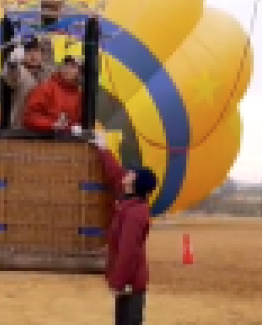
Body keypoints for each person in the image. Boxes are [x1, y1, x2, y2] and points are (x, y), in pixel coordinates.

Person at [87, 131, 158, 325]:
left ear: (135, 184)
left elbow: (129, 252)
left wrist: (119, 282)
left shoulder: (135, 214)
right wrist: (103, 148)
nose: (127, 173)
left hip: (131, 282)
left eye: (131, 173)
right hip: (128, 280)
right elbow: (114, 173)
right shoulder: (127, 200)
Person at [2, 37, 54, 128]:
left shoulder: (49, 72)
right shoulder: (20, 71)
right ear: (22, 54)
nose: (33, 55)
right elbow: (10, 76)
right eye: (28, 51)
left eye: (36, 51)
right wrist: (12, 62)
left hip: (46, 129)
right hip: (21, 130)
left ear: (42, 54)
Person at [23, 55, 83, 133]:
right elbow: (29, 116)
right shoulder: (46, 88)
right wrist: (52, 125)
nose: (67, 69)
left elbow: (78, 123)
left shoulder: (79, 96)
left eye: (73, 67)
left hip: (68, 142)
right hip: (43, 140)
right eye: (65, 65)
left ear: (79, 72)